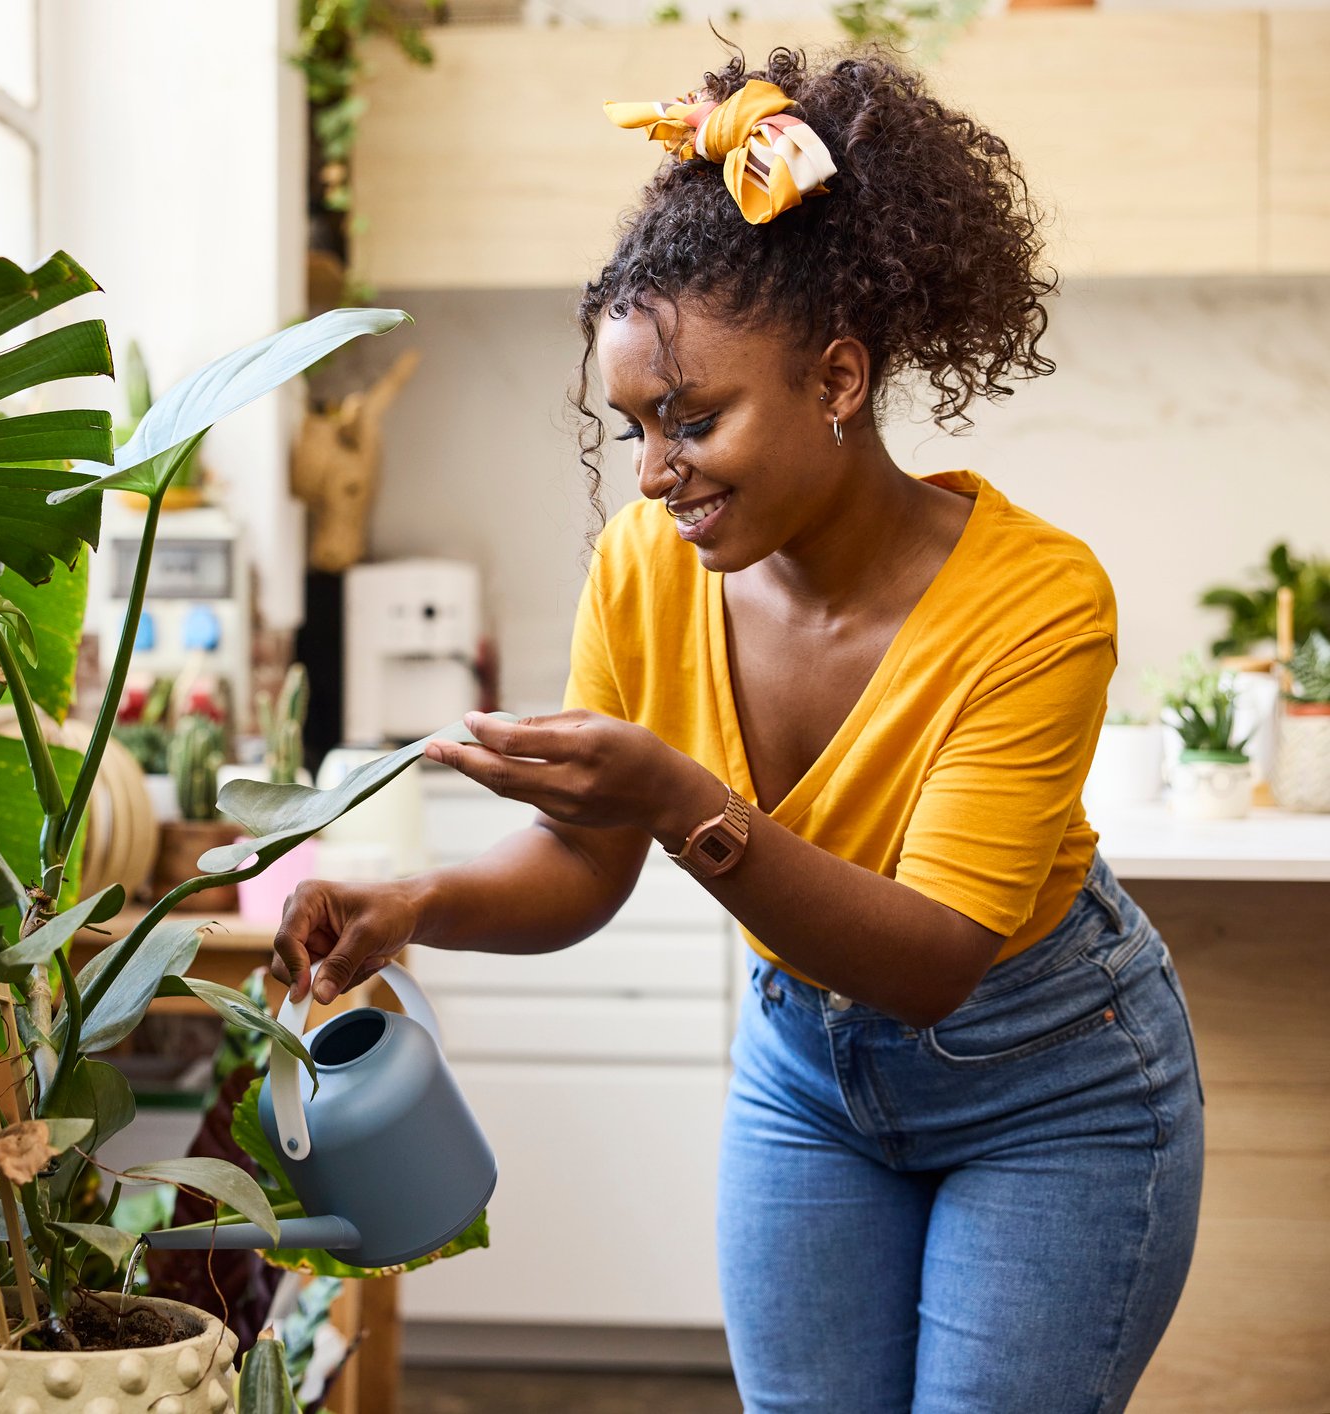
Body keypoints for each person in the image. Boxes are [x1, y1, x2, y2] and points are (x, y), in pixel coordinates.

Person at [270, 45, 1204, 1414]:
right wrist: (410, 903)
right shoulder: (648, 567)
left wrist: (677, 798)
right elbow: (583, 864)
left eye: (694, 418)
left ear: (836, 379)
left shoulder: (1038, 598)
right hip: (808, 1071)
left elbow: (936, 957)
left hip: (1051, 1085)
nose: (654, 474)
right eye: (638, 425)